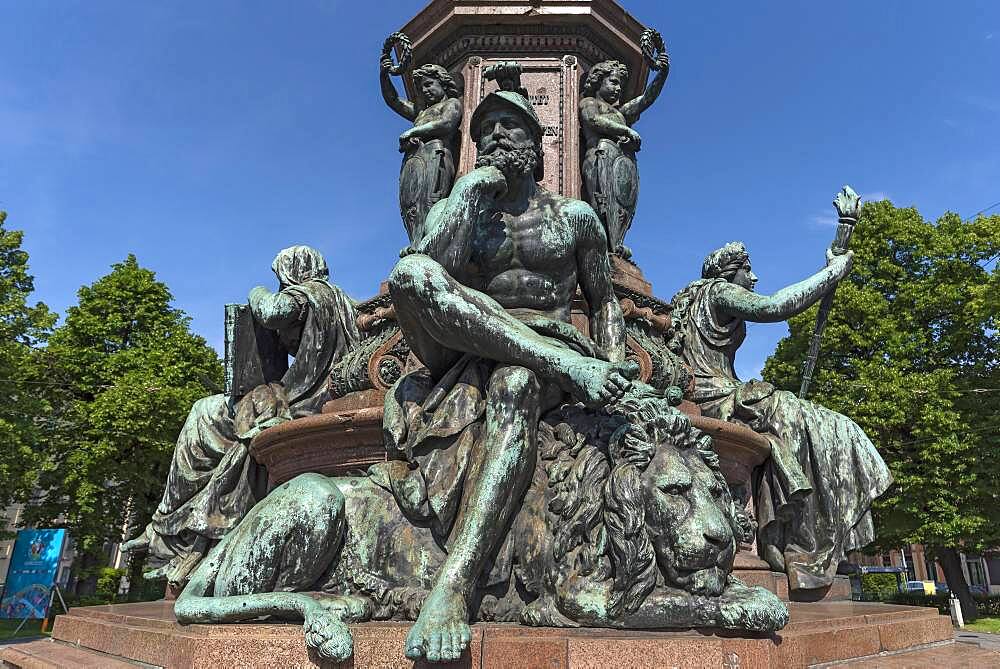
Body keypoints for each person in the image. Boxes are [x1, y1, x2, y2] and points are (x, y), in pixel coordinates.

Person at [379, 68, 638, 661]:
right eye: (485, 130)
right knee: (412, 274)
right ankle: (548, 359)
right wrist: (467, 195)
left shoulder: (575, 218)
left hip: (541, 367)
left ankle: (455, 586)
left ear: (537, 140)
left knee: (516, 382)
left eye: (508, 127)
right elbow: (423, 272)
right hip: (470, 351)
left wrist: (618, 375)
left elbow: (605, 306)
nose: (494, 139)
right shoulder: (466, 213)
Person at [122, 245, 360, 586]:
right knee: (210, 414)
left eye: (280, 277)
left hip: (303, 401)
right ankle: (169, 529)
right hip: (300, 395)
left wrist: (256, 292)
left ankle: (171, 529)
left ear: (292, 272)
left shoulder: (313, 294)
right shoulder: (342, 303)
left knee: (205, 414)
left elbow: (273, 311)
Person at [670, 241, 892, 592]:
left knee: (828, 426)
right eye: (748, 270)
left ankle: (809, 539)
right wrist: (834, 272)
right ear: (730, 272)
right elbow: (775, 306)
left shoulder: (695, 300)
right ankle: (799, 543)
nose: (754, 277)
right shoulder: (717, 293)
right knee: (812, 423)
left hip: (726, 394)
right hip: (721, 399)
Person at [579, 55, 669, 258]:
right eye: (613, 82)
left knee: (616, 206)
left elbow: (646, 99)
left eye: (621, 85)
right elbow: (593, 120)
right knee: (599, 204)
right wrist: (626, 131)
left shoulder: (621, 113)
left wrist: (662, 74)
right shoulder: (589, 102)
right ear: (598, 80)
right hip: (598, 159)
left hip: (617, 165)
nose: (618, 88)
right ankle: (596, 247)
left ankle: (613, 244)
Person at [379, 59, 463, 249]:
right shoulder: (420, 113)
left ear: (443, 83)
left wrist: (413, 132)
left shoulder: (451, 103)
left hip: (436, 156)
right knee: (411, 204)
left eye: (429, 84)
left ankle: (428, 242)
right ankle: (415, 241)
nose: (425, 91)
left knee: (429, 201)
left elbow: (446, 123)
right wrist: (384, 76)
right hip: (414, 161)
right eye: (421, 88)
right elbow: (393, 100)